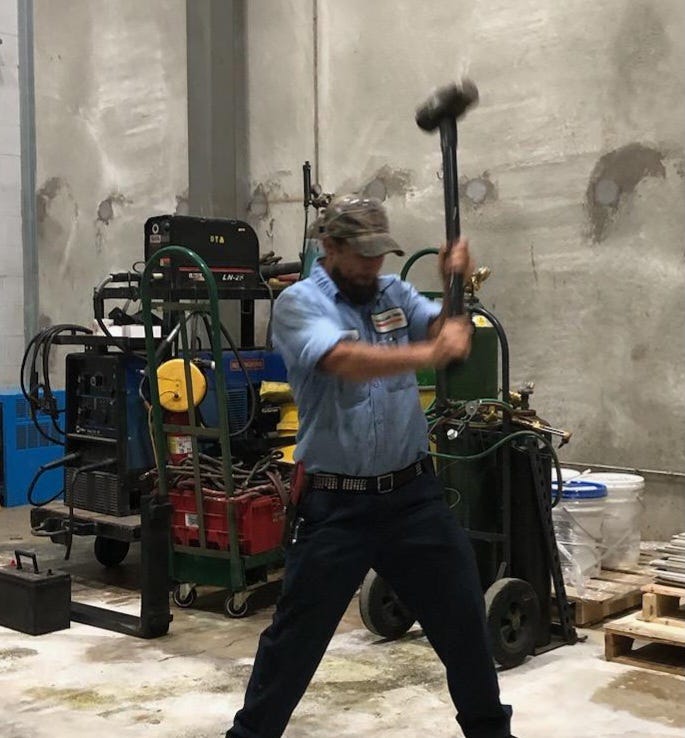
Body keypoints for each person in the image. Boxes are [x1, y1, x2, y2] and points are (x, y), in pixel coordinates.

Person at [226, 194, 515, 738]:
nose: (372, 265)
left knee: (464, 626)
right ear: (329, 246)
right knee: (294, 642)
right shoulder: (299, 303)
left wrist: (454, 289)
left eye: (379, 253)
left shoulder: (392, 292)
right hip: (336, 505)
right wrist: (430, 354)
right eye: (361, 254)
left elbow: (445, 336)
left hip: (413, 499)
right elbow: (342, 360)